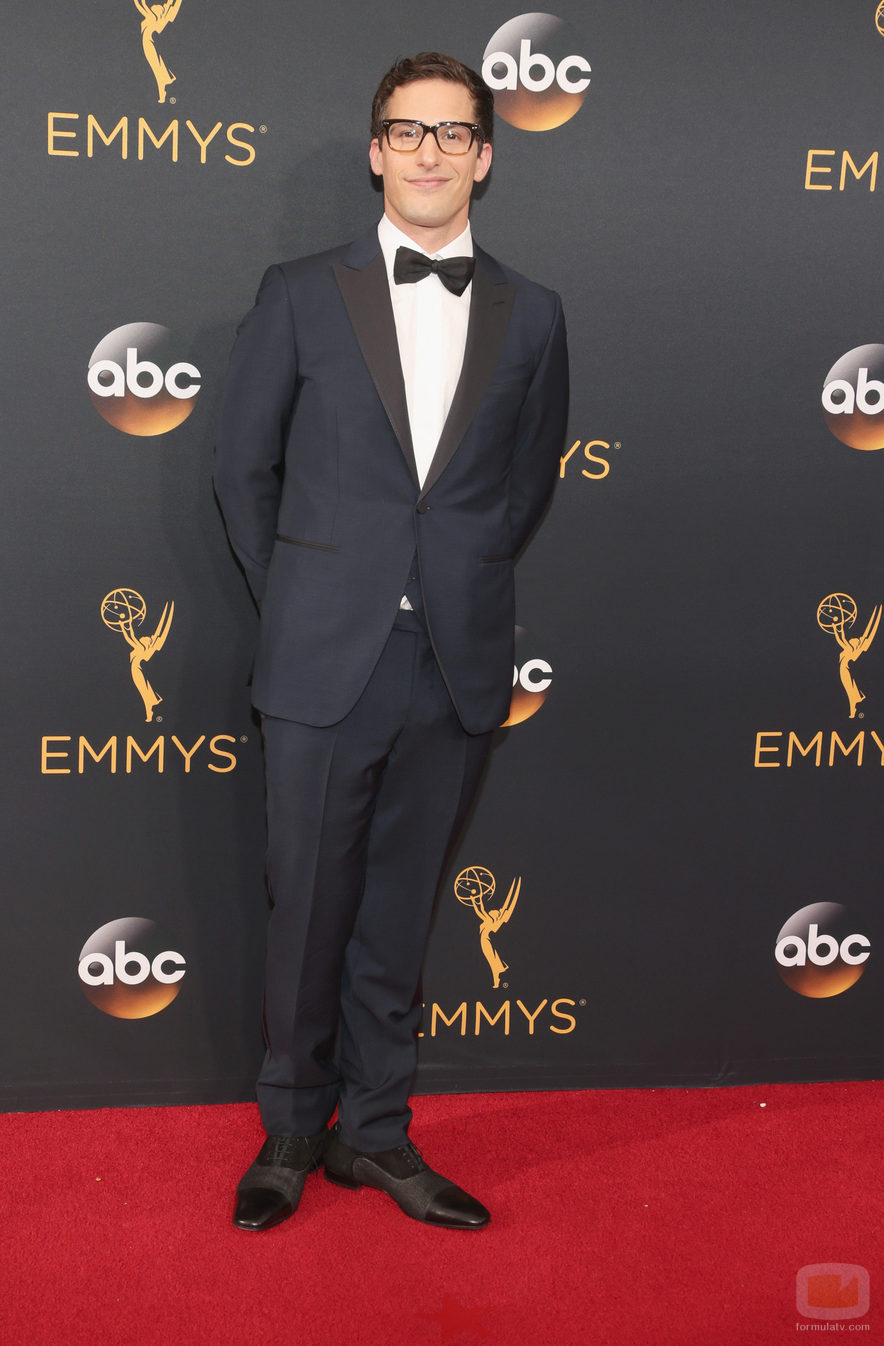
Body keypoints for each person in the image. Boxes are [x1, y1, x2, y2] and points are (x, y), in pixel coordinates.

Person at [214, 51, 569, 1232]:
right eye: (406, 131)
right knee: (305, 904)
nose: (428, 151)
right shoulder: (299, 292)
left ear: (483, 157)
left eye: (452, 132)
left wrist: (445, 583)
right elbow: (240, 468)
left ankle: (375, 1134)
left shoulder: (534, 314)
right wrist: (310, 600)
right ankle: (289, 1128)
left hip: (453, 664)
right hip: (320, 661)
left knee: (398, 912)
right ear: (376, 151)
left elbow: (522, 489)